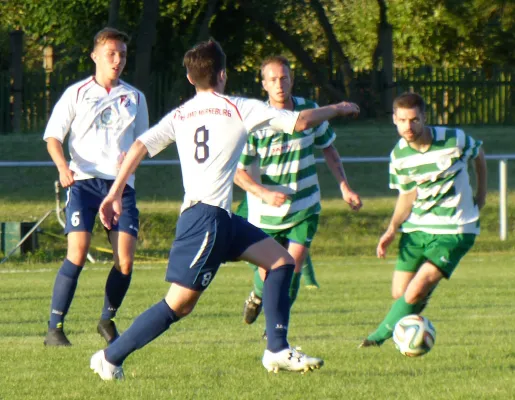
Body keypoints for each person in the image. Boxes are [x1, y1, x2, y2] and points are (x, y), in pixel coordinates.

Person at [89, 39, 360, 380]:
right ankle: (110, 357)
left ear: (190, 79)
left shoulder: (180, 114)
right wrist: (337, 107)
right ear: (223, 74)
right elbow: (300, 121)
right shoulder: (238, 108)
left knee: (281, 262)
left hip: (221, 219)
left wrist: (114, 193)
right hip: (204, 220)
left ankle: (276, 349)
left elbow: (140, 145)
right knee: (178, 304)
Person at [235, 56, 362, 328]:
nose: (279, 84)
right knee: (268, 271)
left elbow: (328, 147)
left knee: (291, 268)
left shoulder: (310, 110)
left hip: (304, 205)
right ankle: (257, 295)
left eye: (284, 78)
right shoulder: (255, 121)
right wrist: (263, 193)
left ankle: (276, 330)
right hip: (265, 212)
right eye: (273, 80)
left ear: (292, 80)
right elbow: (238, 172)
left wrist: (344, 187)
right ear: (264, 84)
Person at [43, 27, 149, 346]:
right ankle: (55, 328)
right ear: (95, 56)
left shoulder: (135, 97)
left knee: (126, 261)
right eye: (111, 54)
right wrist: (63, 168)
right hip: (84, 183)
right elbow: (52, 137)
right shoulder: (77, 93)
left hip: (120, 187)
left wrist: (127, 161)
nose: (117, 60)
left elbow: (142, 145)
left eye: (122, 55)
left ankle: (107, 319)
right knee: (77, 253)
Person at [359, 92, 487, 348]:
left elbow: (479, 154)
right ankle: (414, 320)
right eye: (402, 120)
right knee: (400, 295)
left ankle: (377, 338)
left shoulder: (454, 139)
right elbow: (407, 196)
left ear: (425, 118)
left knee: (415, 290)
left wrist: (481, 194)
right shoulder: (399, 156)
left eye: (414, 120)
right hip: (417, 228)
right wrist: (391, 229)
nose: (409, 126)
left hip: (456, 228)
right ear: (394, 120)